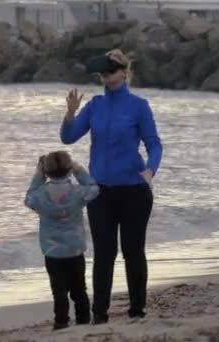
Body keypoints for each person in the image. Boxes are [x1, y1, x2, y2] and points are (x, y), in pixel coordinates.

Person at [59, 49, 163, 324]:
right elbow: (68, 138)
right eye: (102, 72)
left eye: (111, 70)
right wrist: (70, 114)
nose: (106, 75)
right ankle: (99, 314)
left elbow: (154, 143)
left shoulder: (139, 106)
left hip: (133, 190)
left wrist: (151, 168)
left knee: (132, 251)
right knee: (104, 254)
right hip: (100, 192)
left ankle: (137, 310)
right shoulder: (94, 106)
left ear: (124, 72)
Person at [24, 151, 99, 330]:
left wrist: (38, 175)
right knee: (79, 288)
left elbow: (28, 198)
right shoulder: (78, 192)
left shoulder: (40, 195)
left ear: (46, 173)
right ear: (69, 170)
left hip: (52, 251)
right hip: (75, 249)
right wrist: (78, 169)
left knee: (58, 290)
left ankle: (61, 321)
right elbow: (94, 188)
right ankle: (83, 320)